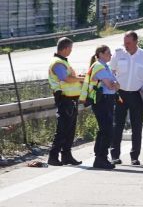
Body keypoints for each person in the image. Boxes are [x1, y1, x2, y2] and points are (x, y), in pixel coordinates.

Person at [109, 31, 143, 165]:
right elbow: (110, 71)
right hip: (120, 94)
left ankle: (134, 156)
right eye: (125, 42)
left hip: (137, 94)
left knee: (137, 126)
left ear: (136, 42)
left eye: (128, 43)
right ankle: (115, 155)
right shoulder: (118, 53)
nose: (126, 45)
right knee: (117, 125)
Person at [80, 45, 120, 169]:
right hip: (102, 101)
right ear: (101, 54)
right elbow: (110, 85)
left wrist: (115, 85)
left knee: (104, 129)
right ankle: (101, 158)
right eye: (108, 53)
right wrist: (115, 85)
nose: (111, 55)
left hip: (106, 100)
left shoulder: (105, 66)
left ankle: (100, 157)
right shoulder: (99, 66)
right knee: (107, 130)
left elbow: (117, 84)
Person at [47, 37, 84, 166]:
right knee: (62, 130)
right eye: (70, 49)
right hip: (65, 100)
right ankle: (53, 157)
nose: (71, 51)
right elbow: (66, 78)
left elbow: (69, 78)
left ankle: (66, 156)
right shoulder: (58, 63)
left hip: (71, 100)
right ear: (66, 48)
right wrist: (81, 79)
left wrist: (79, 78)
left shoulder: (63, 62)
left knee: (70, 130)